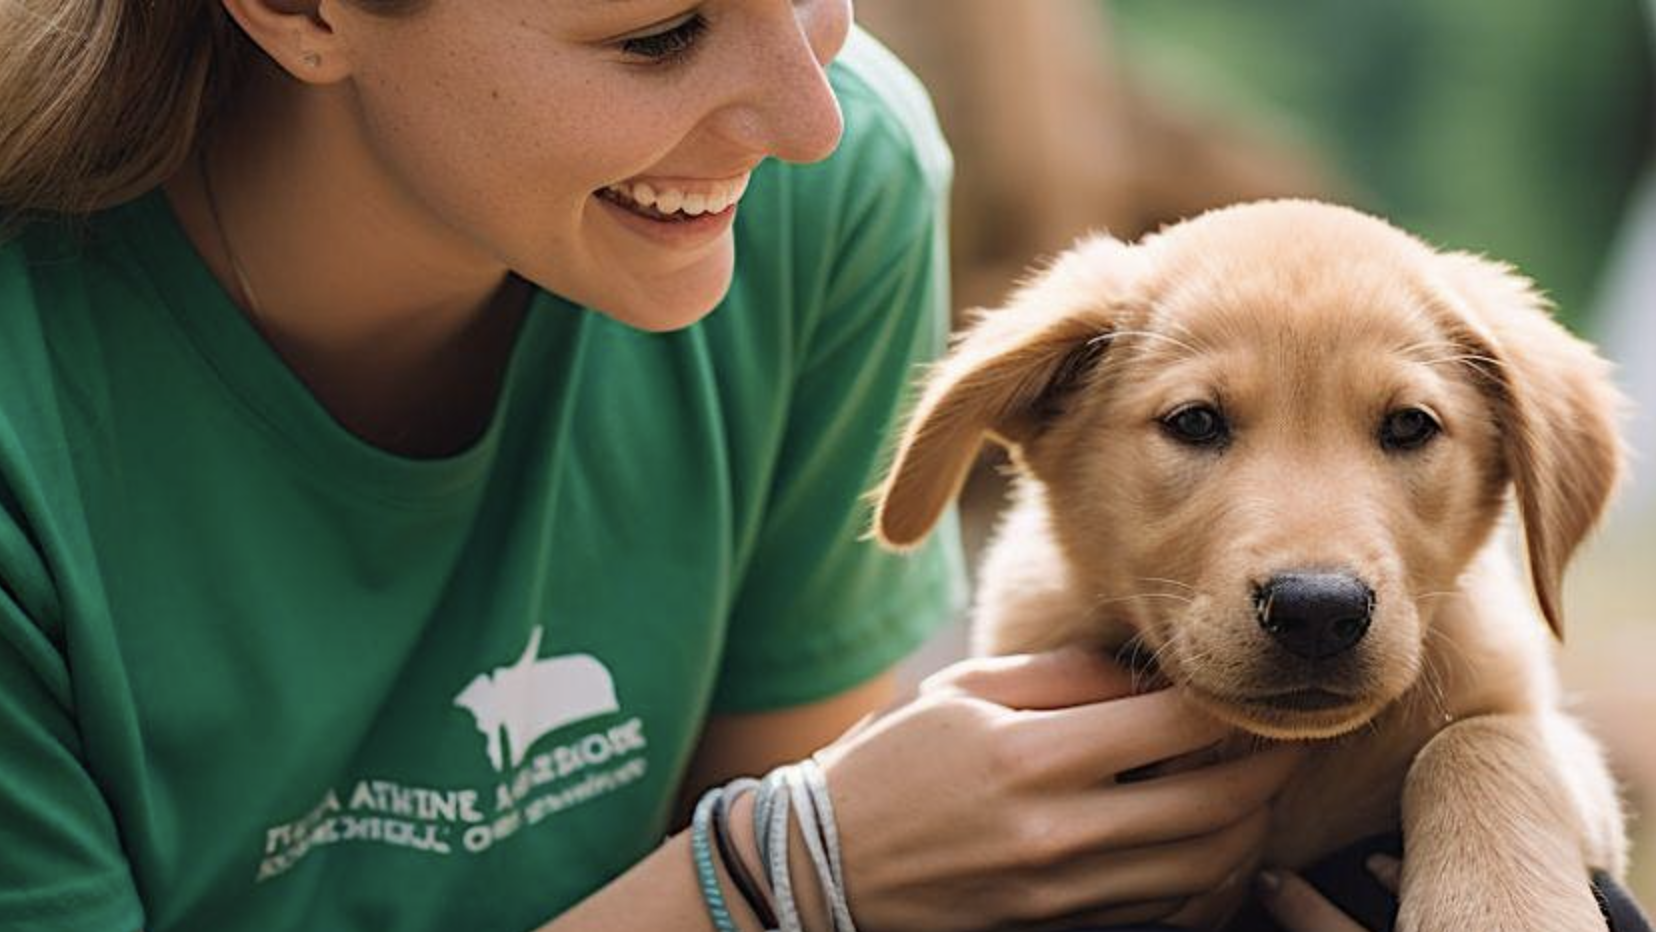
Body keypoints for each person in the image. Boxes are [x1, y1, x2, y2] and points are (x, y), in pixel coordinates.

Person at [3, 3, 1631, 932]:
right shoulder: (38, 409)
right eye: (655, 31)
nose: (801, 109)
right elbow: (817, 877)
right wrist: (769, 881)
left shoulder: (804, 207)